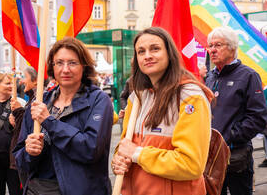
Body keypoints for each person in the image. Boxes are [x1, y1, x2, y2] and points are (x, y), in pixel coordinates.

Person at [112, 27, 214, 195]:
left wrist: (137, 154)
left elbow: (191, 164)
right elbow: (125, 146)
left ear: (169, 53)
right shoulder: (136, 98)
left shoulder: (190, 97)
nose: (147, 56)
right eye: (141, 51)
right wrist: (118, 159)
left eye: (155, 49)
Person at [14, 37, 113, 195]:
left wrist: (49, 122)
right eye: (59, 63)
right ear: (52, 67)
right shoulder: (39, 102)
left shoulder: (99, 100)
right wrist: (29, 152)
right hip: (38, 190)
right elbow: (19, 159)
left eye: (72, 63)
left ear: (84, 66)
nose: (65, 69)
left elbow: (91, 149)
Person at [205, 26, 267, 195]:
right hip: (210, 156)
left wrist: (230, 137)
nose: (212, 50)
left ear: (232, 47)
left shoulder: (248, 75)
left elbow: (258, 117)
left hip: (236, 155)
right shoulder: (210, 77)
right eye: (210, 46)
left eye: (217, 45)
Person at [8, 66, 37, 186]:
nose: (21, 80)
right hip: (24, 154)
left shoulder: (39, 99)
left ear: (35, 80)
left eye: (24, 77)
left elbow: (27, 128)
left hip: (29, 155)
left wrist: (18, 111)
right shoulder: (32, 97)